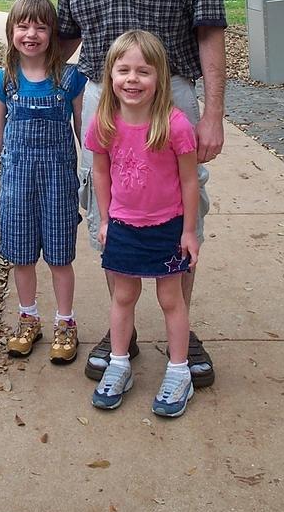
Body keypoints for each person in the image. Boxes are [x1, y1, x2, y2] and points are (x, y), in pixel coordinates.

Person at [57, 0, 226, 389]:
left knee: (181, 205)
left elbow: (209, 30)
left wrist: (212, 112)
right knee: (106, 209)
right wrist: (26, 77)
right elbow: (67, 31)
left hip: (170, 91)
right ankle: (121, 328)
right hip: (102, 99)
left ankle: (183, 323)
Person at [85, 31, 199, 416]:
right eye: (124, 70)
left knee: (171, 299)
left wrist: (188, 230)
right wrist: (104, 219)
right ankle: (119, 364)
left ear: (160, 77)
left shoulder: (175, 125)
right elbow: (100, 173)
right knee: (123, 296)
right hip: (123, 226)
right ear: (111, 75)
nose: (132, 79)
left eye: (143, 71)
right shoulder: (104, 123)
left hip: (167, 227)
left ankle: (179, 371)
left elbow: (188, 180)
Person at [0, 0, 87, 364]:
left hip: (58, 182)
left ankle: (65, 322)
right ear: (11, 31)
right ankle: (28, 317)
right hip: (16, 182)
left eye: (40, 26)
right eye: (23, 25)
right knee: (21, 255)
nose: (31, 33)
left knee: (59, 256)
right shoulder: (2, 80)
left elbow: (85, 131)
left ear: (53, 32)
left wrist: (98, 176)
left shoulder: (69, 79)